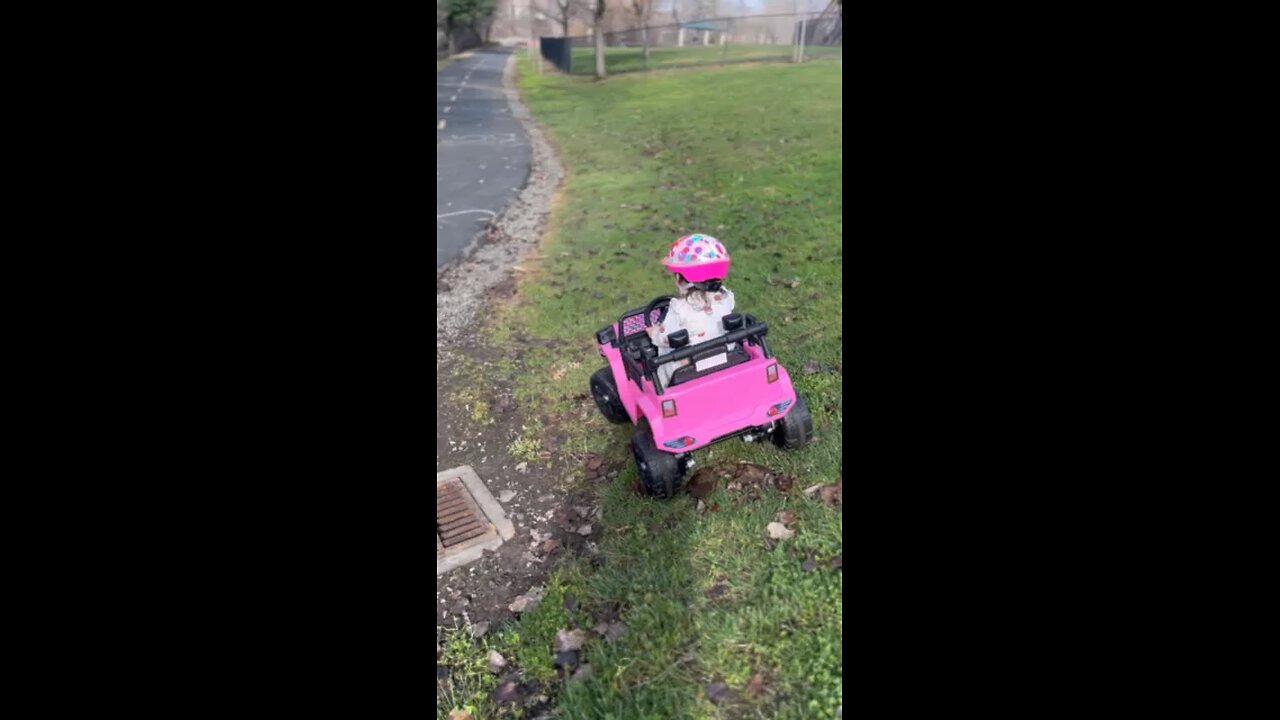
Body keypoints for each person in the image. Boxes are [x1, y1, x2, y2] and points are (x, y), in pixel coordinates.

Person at [646, 234, 736, 385]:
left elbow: (666, 338)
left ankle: (660, 391)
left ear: (680, 279)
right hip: (726, 353)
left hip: (690, 365)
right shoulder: (726, 297)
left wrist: (654, 333)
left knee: (663, 366)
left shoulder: (679, 308)